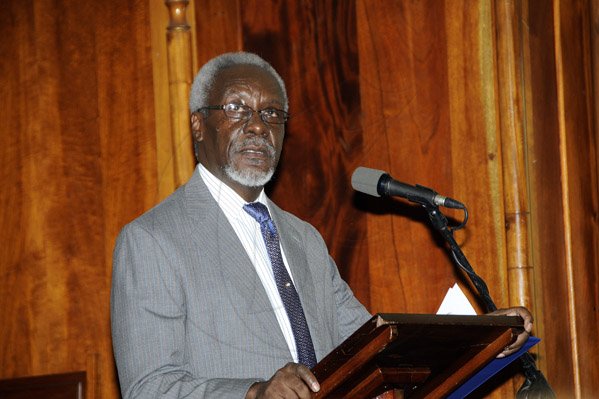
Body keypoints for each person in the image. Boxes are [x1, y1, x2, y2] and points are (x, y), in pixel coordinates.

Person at [111, 52, 533, 399]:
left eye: (272, 113)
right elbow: (149, 387)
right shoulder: (153, 239)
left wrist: (481, 340)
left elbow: (375, 348)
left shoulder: (303, 238)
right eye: (237, 108)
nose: (258, 126)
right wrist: (255, 393)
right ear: (198, 124)